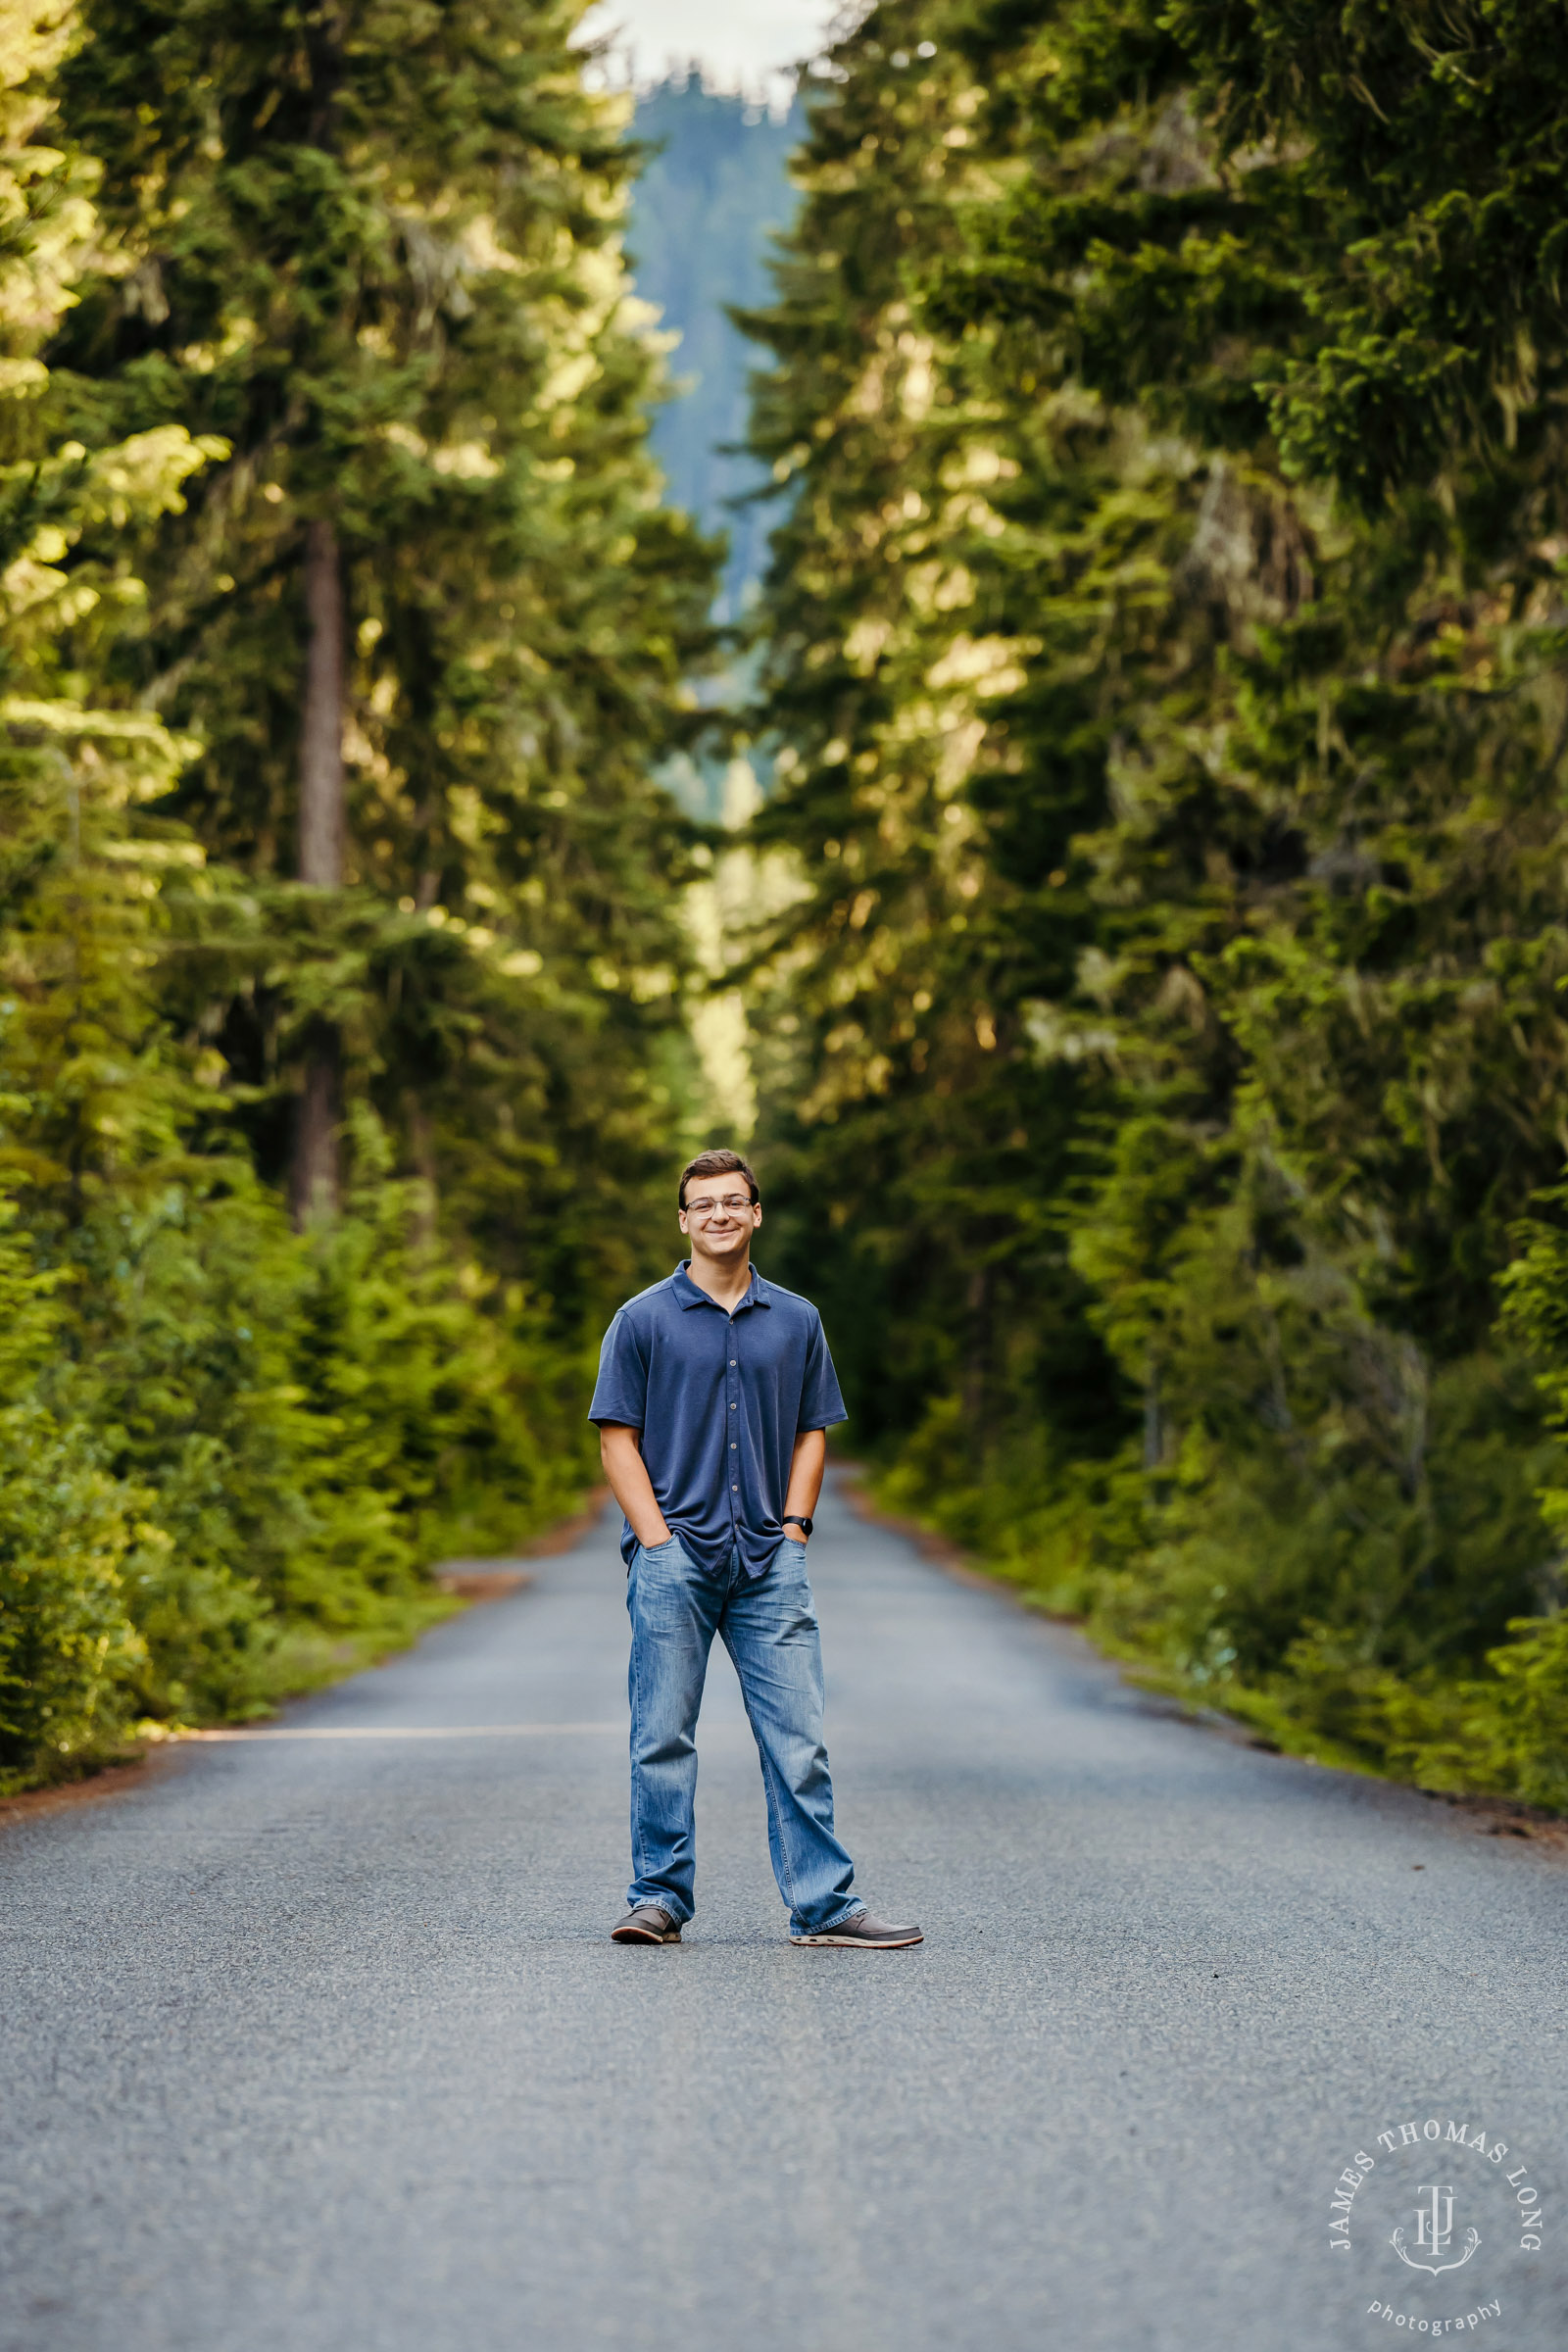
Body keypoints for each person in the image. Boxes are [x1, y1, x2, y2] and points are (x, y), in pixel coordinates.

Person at [588, 1148, 922, 1949]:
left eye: (734, 1202)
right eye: (703, 1204)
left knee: (797, 1739)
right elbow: (616, 1439)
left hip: (770, 1562)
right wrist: (657, 1543)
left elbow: (814, 1430)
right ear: (682, 1220)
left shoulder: (798, 1320)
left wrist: (796, 1528)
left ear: (756, 1214)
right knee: (661, 1737)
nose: (719, 1216)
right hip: (677, 1561)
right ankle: (659, 1901)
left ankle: (826, 1905)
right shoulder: (641, 1320)